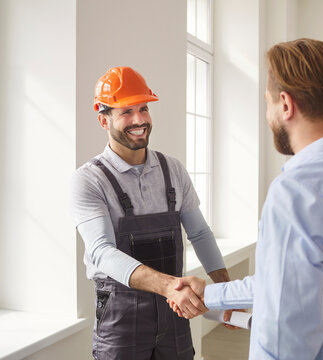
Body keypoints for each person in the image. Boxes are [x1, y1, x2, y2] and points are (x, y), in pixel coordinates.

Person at [172, 38, 323, 359]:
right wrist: (211, 294)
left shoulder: (297, 192)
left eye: (267, 103)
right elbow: (285, 283)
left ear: (285, 104)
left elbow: (284, 336)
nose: (268, 114)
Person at [70, 66, 232, 360]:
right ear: (103, 120)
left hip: (173, 314)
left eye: (143, 109)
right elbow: (102, 251)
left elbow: (200, 233)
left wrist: (228, 292)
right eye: (126, 112)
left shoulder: (173, 170)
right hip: (121, 315)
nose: (139, 120)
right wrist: (171, 286)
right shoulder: (89, 179)